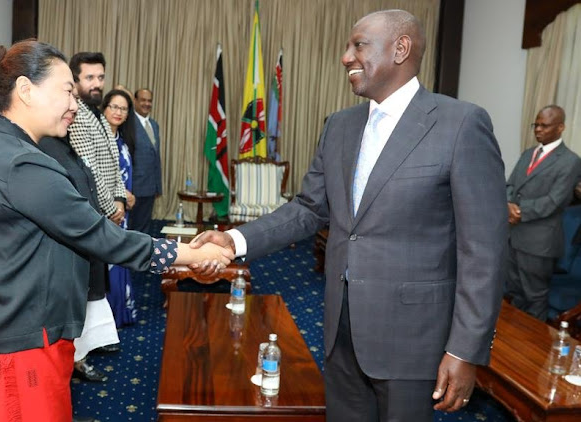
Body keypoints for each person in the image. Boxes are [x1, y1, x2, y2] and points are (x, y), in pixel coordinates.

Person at [190, 9, 507, 421]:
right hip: (341, 332)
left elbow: (484, 250)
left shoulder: (460, 124)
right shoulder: (339, 126)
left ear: (401, 48)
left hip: (412, 339)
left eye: (358, 45)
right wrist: (234, 240)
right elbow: (308, 209)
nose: (345, 57)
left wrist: (465, 349)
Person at [0, 40, 232, 422]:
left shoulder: (3, 146)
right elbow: (101, 235)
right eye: (67, 90)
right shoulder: (21, 164)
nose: (74, 103)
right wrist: (192, 256)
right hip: (18, 348)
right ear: (25, 90)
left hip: (14, 333)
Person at [66, 51, 125, 377]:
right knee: (85, 290)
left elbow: (112, 166)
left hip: (107, 208)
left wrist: (119, 198)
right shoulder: (75, 115)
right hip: (91, 213)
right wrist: (109, 207)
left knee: (96, 287)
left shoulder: (99, 115)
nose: (96, 83)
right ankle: (77, 359)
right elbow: (89, 170)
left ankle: (85, 351)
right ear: (75, 80)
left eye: (100, 77)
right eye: (89, 77)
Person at [505, 105, 581, 321]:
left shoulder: (570, 161)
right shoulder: (528, 153)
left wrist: (519, 211)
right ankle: (515, 338)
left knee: (535, 297)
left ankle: (532, 344)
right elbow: (510, 185)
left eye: (544, 125)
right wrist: (508, 205)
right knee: (514, 292)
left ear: (560, 127)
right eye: (536, 125)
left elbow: (554, 201)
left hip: (539, 242)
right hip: (513, 235)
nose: (538, 129)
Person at [102, 89, 138, 327]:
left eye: (123, 109)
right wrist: (119, 195)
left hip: (122, 214)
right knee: (107, 267)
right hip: (104, 213)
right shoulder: (98, 141)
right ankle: (105, 322)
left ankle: (120, 314)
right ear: (103, 109)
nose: (117, 112)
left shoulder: (123, 142)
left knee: (120, 261)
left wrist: (128, 197)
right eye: (113, 106)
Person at [129, 88, 162, 235]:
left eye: (149, 100)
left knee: (145, 227)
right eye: (143, 100)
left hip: (150, 187)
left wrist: (158, 186)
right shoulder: (128, 123)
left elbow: (156, 157)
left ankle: (143, 256)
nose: (146, 103)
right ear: (135, 101)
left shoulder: (154, 125)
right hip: (134, 187)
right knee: (132, 228)